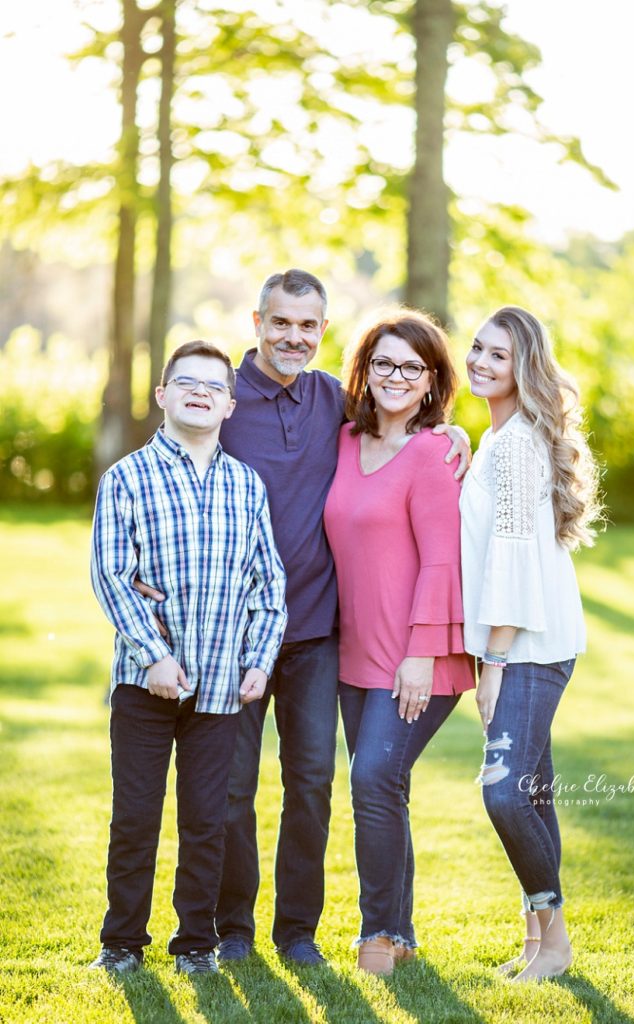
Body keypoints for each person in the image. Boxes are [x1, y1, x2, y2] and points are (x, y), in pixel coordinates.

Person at [136, 270, 471, 966]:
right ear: (256, 320)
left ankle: (297, 933)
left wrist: (453, 430)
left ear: (323, 330)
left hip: (318, 632)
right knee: (229, 788)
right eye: (281, 323)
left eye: (308, 326)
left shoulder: (330, 400)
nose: (294, 337)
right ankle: (233, 930)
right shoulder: (221, 395)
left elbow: (399, 414)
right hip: (230, 633)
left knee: (311, 785)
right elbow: (164, 464)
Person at [89, 341, 287, 976]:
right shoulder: (125, 479)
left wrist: (259, 660)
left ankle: (196, 943)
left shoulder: (245, 485)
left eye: (213, 386)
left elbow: (268, 586)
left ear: (230, 405)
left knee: (209, 821)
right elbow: (112, 576)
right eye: (186, 383)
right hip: (144, 685)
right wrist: (153, 655)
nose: (199, 393)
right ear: (162, 396)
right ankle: (121, 942)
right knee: (136, 818)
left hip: (223, 687)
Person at [324, 309, 476, 975]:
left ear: (432, 381)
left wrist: (418, 655)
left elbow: (442, 561)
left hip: (420, 655)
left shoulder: (431, 453)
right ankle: (404, 932)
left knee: (372, 778)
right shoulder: (340, 441)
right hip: (354, 652)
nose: (395, 376)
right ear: (363, 369)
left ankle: (378, 936)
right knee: (385, 785)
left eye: (411, 367)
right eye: (383, 362)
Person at [459, 306, 602, 981]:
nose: (481, 362)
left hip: (528, 647)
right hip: (537, 639)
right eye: (477, 348)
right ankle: (540, 944)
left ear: (523, 368)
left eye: (499, 355)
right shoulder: (501, 438)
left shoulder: (514, 443)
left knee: (506, 795)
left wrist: (491, 661)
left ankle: (556, 938)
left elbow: (511, 554)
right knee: (532, 793)